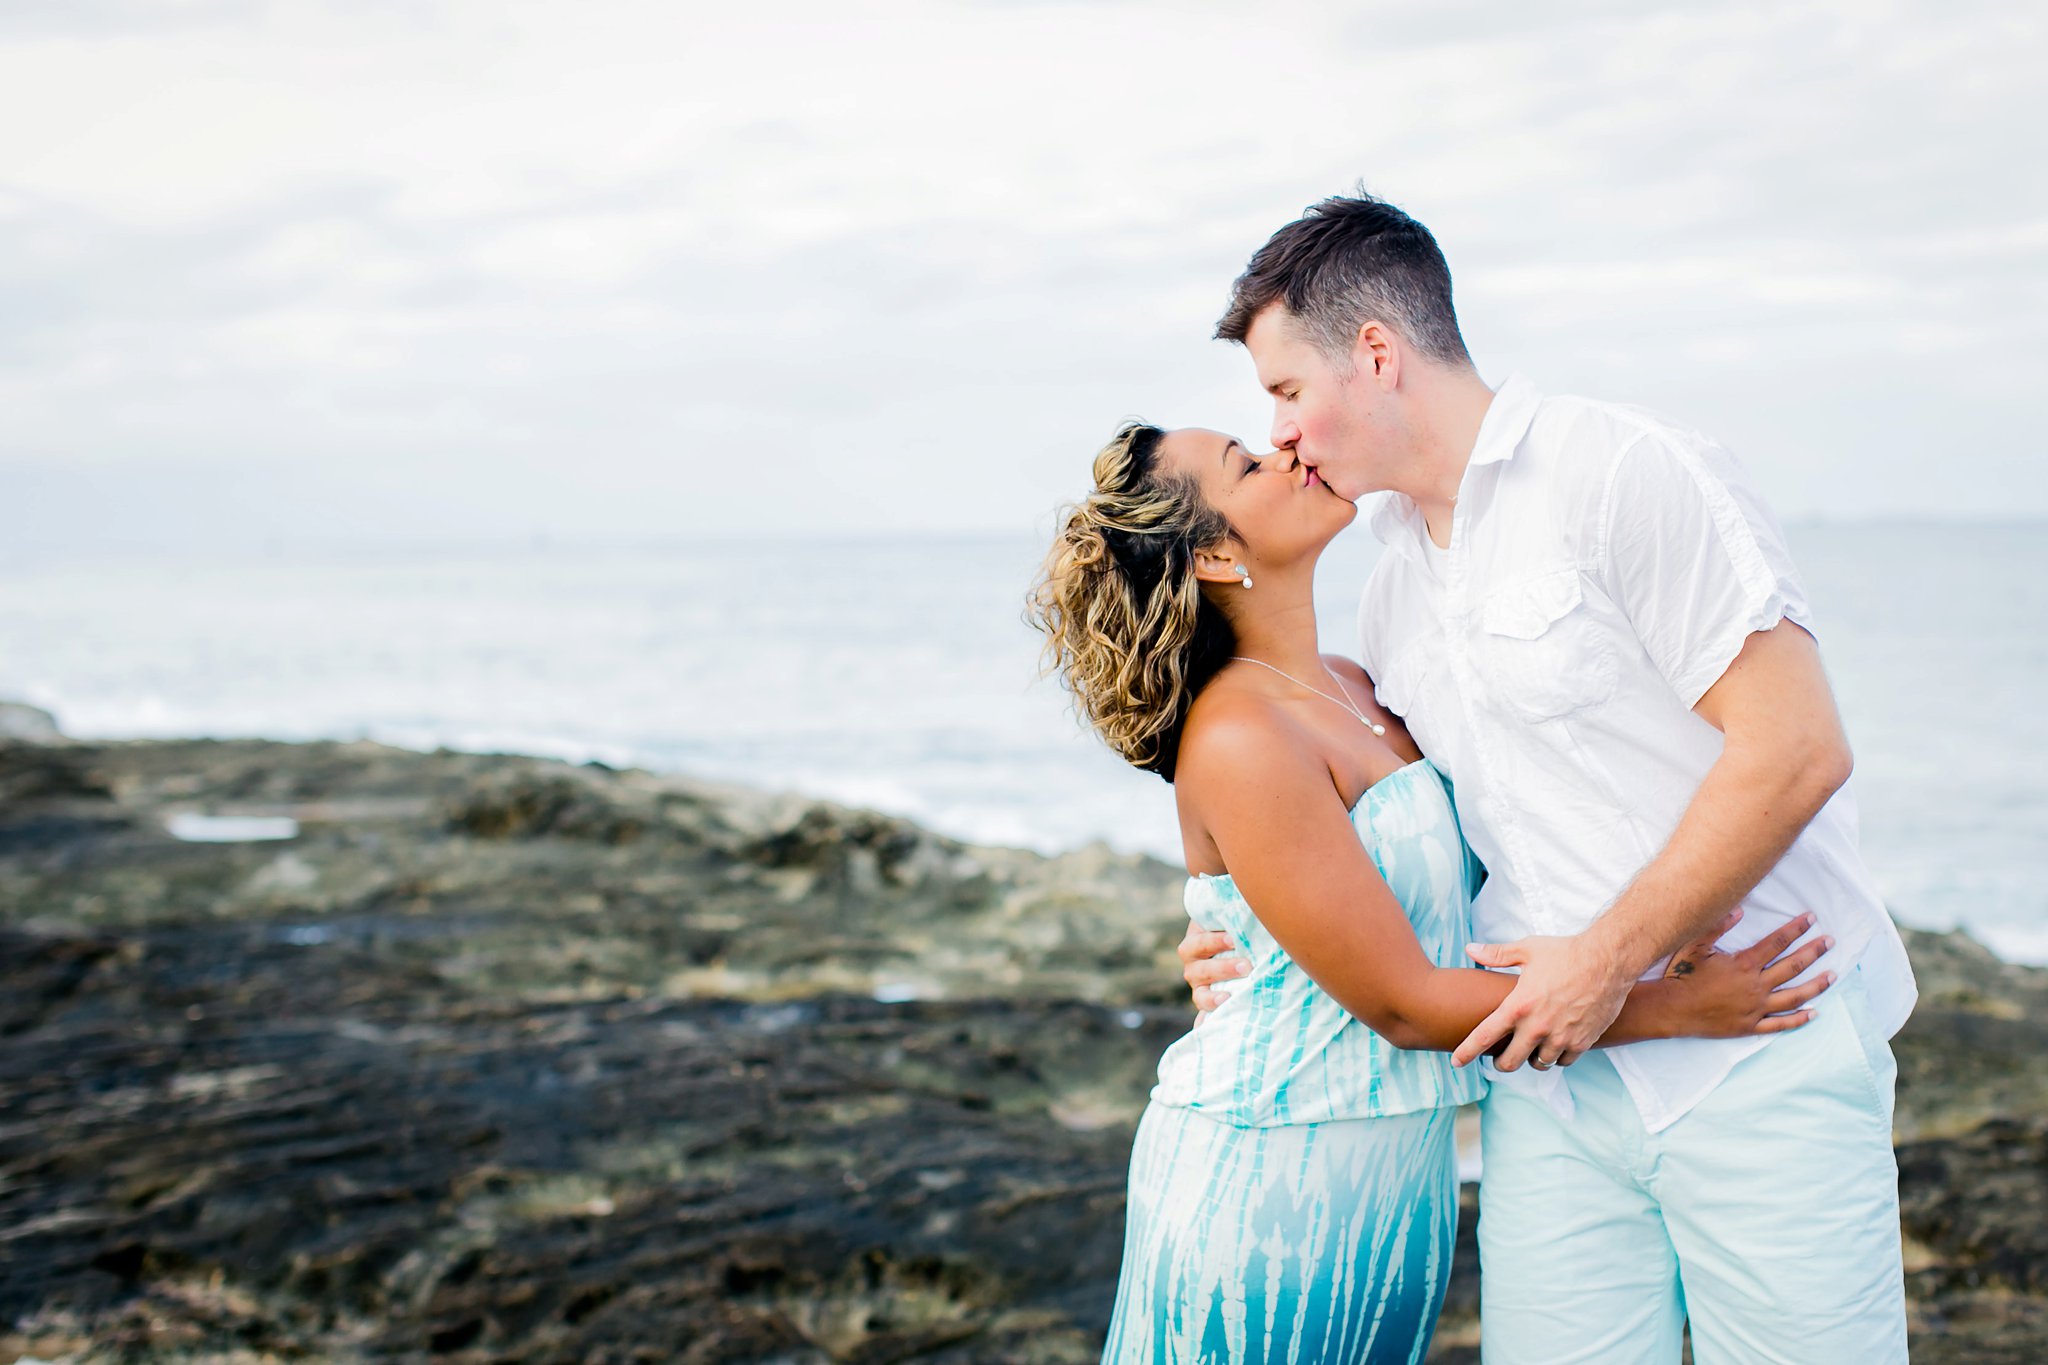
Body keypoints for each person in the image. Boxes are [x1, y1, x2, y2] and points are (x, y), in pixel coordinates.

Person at [1179, 192, 1918, 1362]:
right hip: (1550, 1097)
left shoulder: (1624, 472)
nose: (1280, 436)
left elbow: (1794, 748)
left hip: (1756, 1051)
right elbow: (1424, 835)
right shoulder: (1387, 585)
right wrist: (1244, 936)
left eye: (1283, 392)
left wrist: (1606, 960)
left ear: (1373, 355)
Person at [1029, 420, 1834, 1364]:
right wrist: (1669, 1005)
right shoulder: (1240, 737)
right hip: (1268, 1184)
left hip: (1401, 1186)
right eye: (1246, 465)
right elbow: (1406, 1004)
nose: (1287, 449)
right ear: (1211, 554)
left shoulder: (1355, 682)